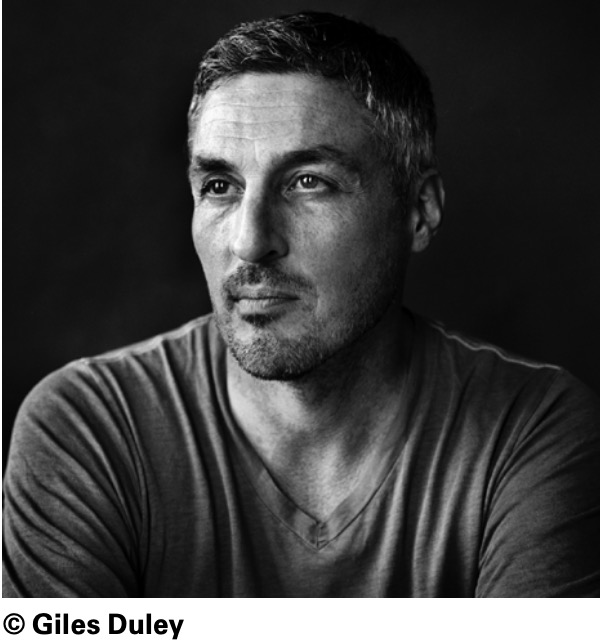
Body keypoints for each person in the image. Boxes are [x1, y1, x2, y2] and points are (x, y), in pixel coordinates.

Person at [3, 12, 598, 598]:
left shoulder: (532, 431)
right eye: (219, 186)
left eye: (308, 181)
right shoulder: (91, 427)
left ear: (419, 212)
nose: (249, 241)